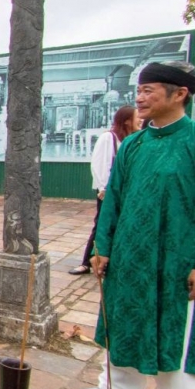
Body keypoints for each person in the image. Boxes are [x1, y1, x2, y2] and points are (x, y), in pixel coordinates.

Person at [78, 62, 195, 389]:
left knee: (177, 334)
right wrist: (103, 246)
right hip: (130, 255)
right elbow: (114, 198)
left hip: (177, 260)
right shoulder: (134, 144)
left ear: (179, 94)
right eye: (140, 91)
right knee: (124, 318)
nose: (140, 98)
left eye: (149, 90)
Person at [69, 106, 139, 275]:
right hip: (108, 191)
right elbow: (100, 164)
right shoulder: (109, 138)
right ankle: (87, 261)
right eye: (138, 117)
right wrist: (103, 187)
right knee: (102, 225)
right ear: (127, 120)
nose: (141, 120)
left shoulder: (133, 140)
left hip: (126, 192)